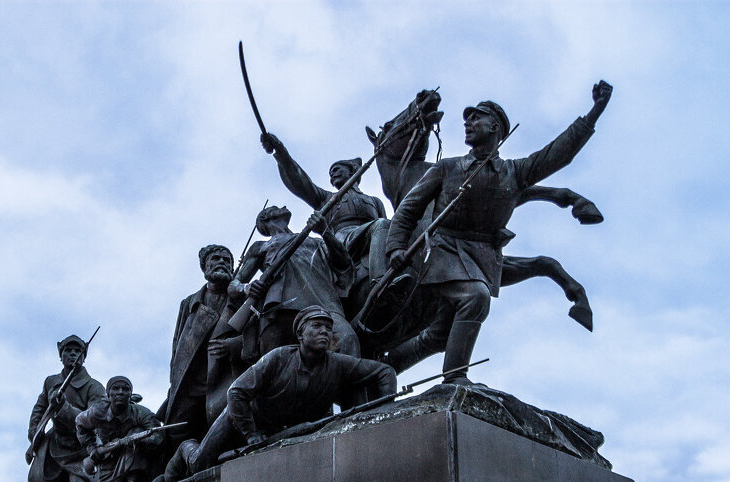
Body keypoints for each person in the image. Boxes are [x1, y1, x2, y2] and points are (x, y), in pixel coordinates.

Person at [383, 81, 613, 385]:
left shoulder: (515, 173)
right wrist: (395, 247)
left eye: (476, 118)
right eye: (467, 119)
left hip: (485, 256)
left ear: (495, 127)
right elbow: (409, 210)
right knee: (475, 297)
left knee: (440, 333)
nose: (467, 123)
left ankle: (390, 366)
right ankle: (454, 379)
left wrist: (594, 112)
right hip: (443, 251)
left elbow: (556, 155)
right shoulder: (447, 168)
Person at [162, 305, 395, 482]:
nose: (324, 331)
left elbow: (385, 372)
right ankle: (186, 449)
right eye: (317, 326)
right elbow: (236, 393)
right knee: (200, 465)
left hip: (276, 430)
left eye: (328, 328)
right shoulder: (279, 357)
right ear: (300, 334)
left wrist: (386, 413)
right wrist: (251, 434)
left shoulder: (338, 364)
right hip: (240, 419)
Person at [259, 133, 386, 289]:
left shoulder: (374, 201)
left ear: (352, 171)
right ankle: (381, 281)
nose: (332, 174)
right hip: (342, 240)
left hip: (371, 237)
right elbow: (299, 181)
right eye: (330, 173)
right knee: (380, 225)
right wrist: (280, 151)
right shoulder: (326, 198)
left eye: (337, 169)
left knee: (387, 226)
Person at [235, 205, 360, 358]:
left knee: (348, 340)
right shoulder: (261, 246)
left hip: (323, 303)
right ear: (265, 218)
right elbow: (234, 284)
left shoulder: (315, 241)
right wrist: (246, 288)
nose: (283, 207)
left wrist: (325, 231)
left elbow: (344, 262)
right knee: (274, 363)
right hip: (280, 309)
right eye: (276, 207)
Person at [161, 244, 247, 443]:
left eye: (227, 261)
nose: (222, 263)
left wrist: (232, 346)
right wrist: (174, 381)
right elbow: (177, 345)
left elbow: (257, 335)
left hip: (225, 376)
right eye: (215, 259)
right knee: (177, 431)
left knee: (223, 431)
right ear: (204, 267)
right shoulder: (189, 303)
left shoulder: (242, 298)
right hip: (190, 381)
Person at [27, 335, 105, 482]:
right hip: (54, 445)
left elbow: (93, 419)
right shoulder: (51, 381)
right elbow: (39, 410)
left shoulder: (94, 386)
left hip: (80, 448)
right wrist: (34, 436)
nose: (72, 354)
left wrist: (64, 407)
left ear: (83, 357)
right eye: (67, 351)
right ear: (61, 356)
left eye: (77, 351)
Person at [75, 376, 165, 482]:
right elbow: (80, 424)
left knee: (137, 432)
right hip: (108, 461)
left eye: (126, 389)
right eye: (116, 388)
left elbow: (158, 437)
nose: (121, 392)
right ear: (108, 394)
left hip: (133, 456)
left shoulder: (142, 413)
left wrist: (138, 440)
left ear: (130, 394)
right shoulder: (97, 412)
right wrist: (93, 450)